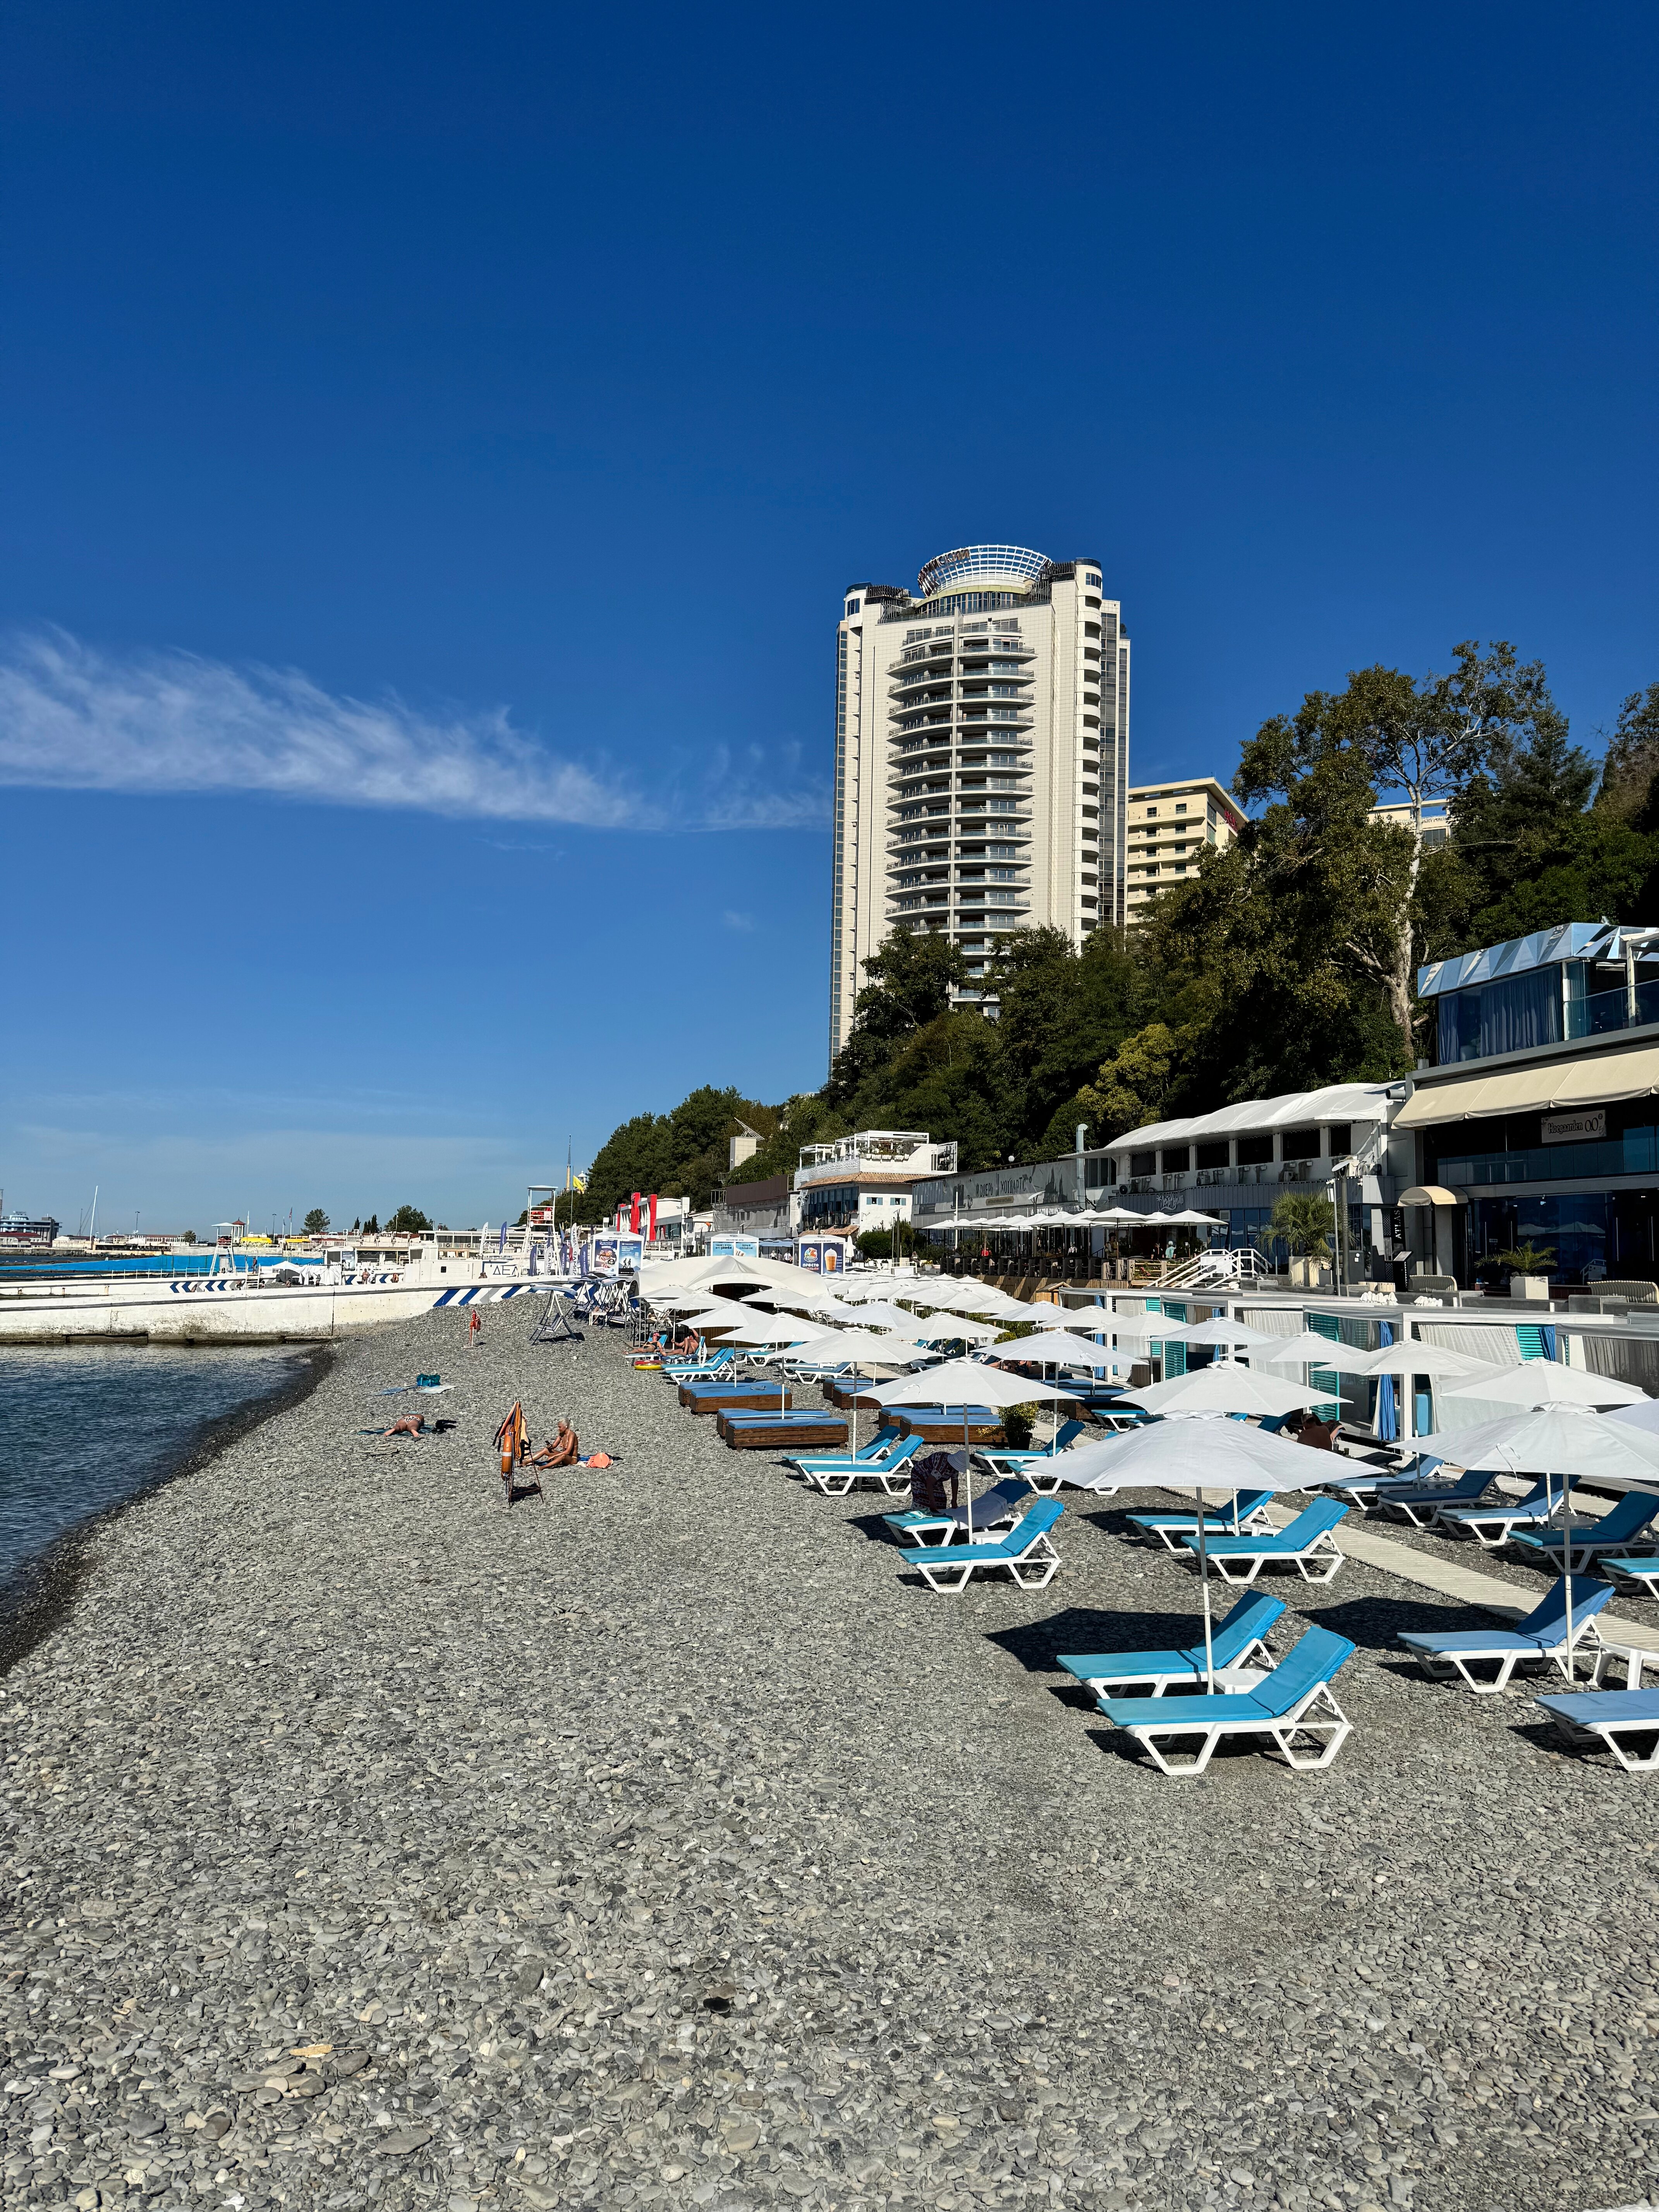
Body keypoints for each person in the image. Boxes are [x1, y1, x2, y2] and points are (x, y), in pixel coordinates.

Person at [908, 1448, 964, 1515]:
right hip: (920, 1475)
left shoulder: (955, 1468)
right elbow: (929, 1483)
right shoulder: (941, 1465)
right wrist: (932, 1502)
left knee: (941, 1500)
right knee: (922, 1499)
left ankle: (938, 1518)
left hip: (935, 1480)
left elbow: (955, 1482)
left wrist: (954, 1500)